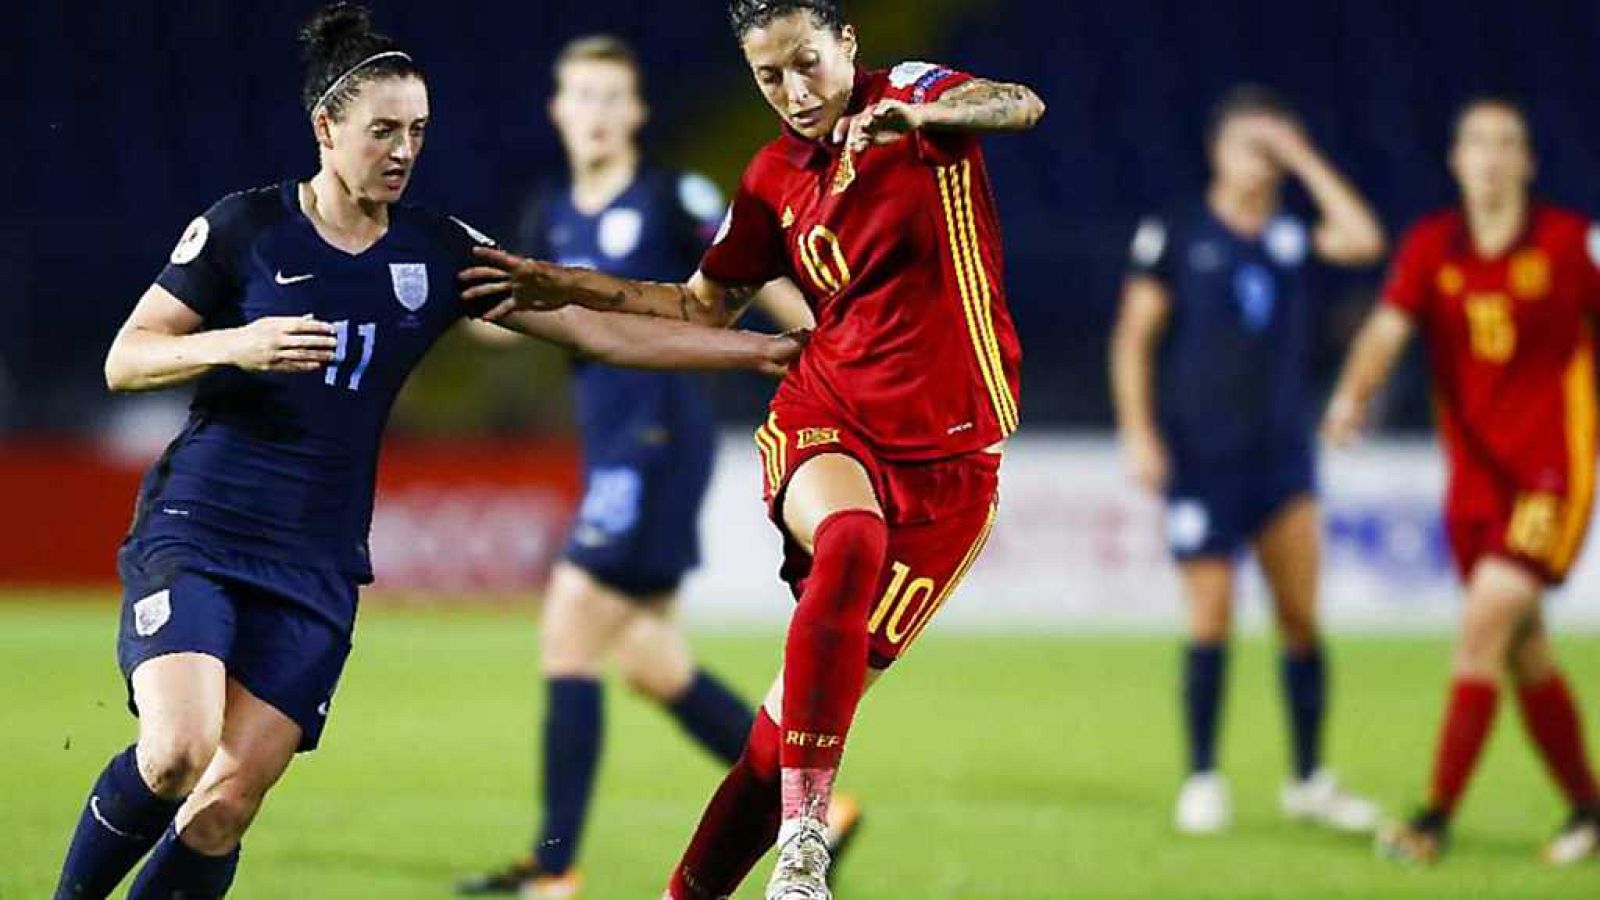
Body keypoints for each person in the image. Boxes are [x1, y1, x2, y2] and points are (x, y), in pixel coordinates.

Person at [50, 6, 803, 898]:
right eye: (383, 131)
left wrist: (753, 350)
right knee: (177, 752)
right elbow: (125, 358)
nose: (404, 150)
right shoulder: (244, 229)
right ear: (326, 129)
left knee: (225, 803)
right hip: (201, 529)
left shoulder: (439, 251)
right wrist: (233, 345)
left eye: (417, 131)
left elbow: (596, 332)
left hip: (317, 562)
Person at [460, 2, 1044, 896]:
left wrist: (921, 119)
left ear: (847, 44)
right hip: (828, 413)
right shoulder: (773, 177)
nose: (792, 91)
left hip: (957, 469)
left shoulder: (920, 99)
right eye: (768, 77)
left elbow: (1019, 105)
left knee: (777, 735)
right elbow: (702, 305)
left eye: (806, 63)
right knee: (849, 539)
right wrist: (560, 285)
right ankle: (805, 843)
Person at [457, 35, 854, 900]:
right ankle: (817, 808)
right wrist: (466, 307)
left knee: (568, 629)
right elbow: (516, 317)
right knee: (647, 656)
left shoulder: (672, 194)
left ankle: (554, 867)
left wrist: (821, 339)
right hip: (610, 446)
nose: (595, 113)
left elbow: (757, 272)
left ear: (635, 113)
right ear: (559, 111)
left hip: (659, 442)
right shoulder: (550, 212)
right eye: (581, 96)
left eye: (611, 97)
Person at [1325, 96, 1600, 865]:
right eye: (1476, 143)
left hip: (1552, 475)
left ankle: (1431, 821)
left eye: (1505, 143)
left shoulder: (1571, 245)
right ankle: (1589, 807)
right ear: (1457, 161)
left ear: (1526, 162)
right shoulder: (1432, 247)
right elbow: (1386, 329)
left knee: (1482, 630)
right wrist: (1351, 397)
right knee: (1525, 654)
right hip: (1474, 485)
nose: (1489, 157)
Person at [1111, 86, 1386, 836]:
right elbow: (1134, 338)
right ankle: (1202, 775)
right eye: (1251, 144)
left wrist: (1301, 155)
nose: (1261, 160)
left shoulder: (1294, 234)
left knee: (1300, 616)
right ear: (1218, 150)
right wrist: (1139, 432)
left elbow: (1364, 240)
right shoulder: (1178, 230)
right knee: (1212, 615)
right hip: (1201, 458)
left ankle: (1309, 779)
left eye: (1273, 147)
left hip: (1282, 458)